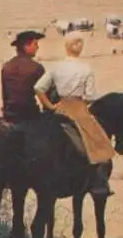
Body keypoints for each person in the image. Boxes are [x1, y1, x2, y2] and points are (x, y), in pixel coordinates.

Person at [34, 31, 116, 197]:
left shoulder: (56, 67)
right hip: (78, 109)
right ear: (78, 47)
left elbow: (38, 88)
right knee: (101, 143)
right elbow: (90, 96)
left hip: (59, 108)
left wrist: (50, 106)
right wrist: (81, 105)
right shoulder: (85, 69)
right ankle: (99, 182)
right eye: (79, 43)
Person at [0, 30, 46, 129]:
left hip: (9, 116)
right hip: (29, 115)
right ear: (26, 46)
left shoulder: (6, 66)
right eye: (35, 44)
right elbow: (46, 94)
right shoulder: (36, 68)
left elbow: (5, 95)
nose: (37, 47)